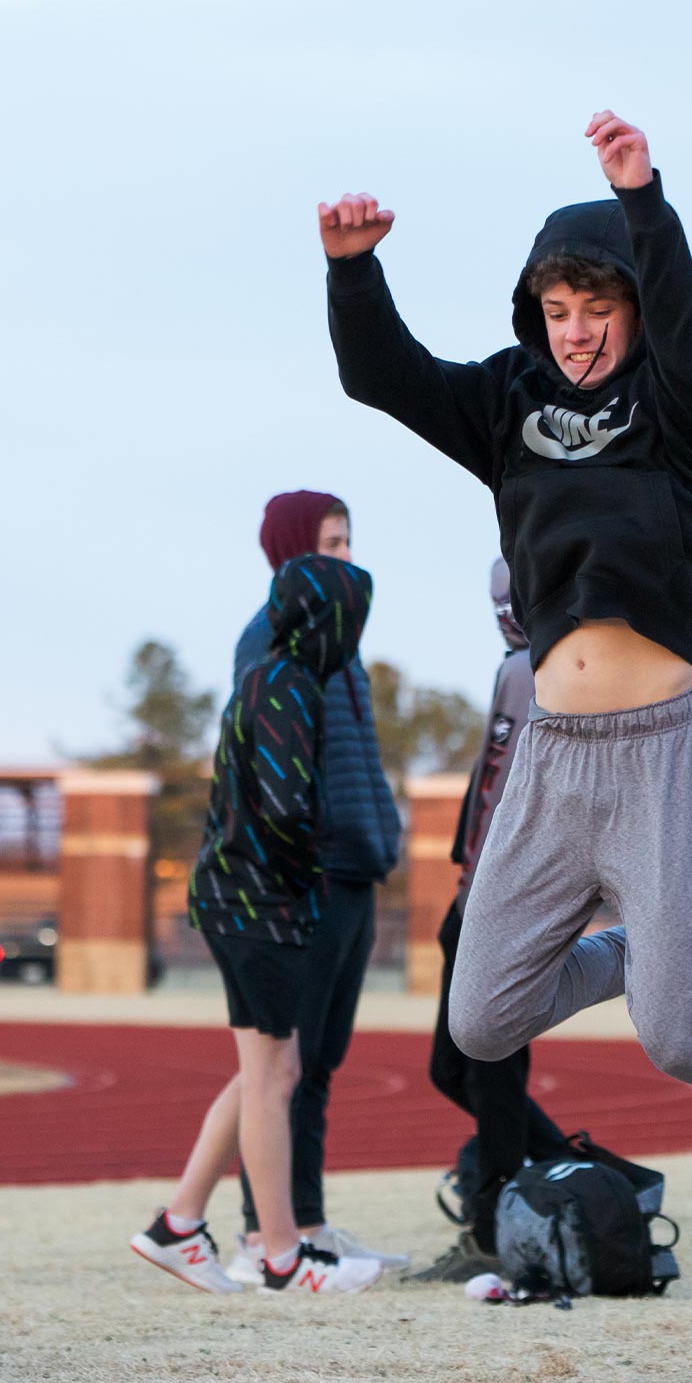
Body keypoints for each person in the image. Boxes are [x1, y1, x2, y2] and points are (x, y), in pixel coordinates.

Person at [318, 110, 692, 1197]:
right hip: (557, 751)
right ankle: (690, 948)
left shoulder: (681, 397)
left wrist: (644, 203)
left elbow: (688, 324)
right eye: (555, 311)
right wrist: (354, 271)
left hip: (660, 748)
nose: (574, 332)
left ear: (631, 308)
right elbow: (384, 376)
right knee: (481, 1014)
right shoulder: (508, 402)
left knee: (683, 1041)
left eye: (595, 307)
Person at [131, 553, 386, 1296]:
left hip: (242, 898)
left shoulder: (274, 677)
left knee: (264, 1071)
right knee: (277, 1075)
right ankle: (282, 1257)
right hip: (257, 903)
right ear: (326, 618)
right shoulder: (286, 684)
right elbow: (283, 805)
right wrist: (310, 869)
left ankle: (178, 1223)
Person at [217, 491, 408, 1281]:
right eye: (330, 540)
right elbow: (275, 765)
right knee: (285, 1065)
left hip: (357, 863)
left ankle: (312, 1220)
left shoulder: (344, 642)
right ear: (292, 549)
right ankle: (266, 1231)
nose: (345, 554)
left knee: (322, 1060)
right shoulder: (270, 637)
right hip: (312, 870)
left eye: (349, 539)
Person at [412, 558, 579, 1281]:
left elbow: (514, 793)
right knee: (459, 1067)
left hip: (504, 902)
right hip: (483, 892)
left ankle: (492, 1229)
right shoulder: (528, 663)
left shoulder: (539, 668)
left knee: (486, 1068)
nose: (502, 611)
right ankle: (571, 1167)